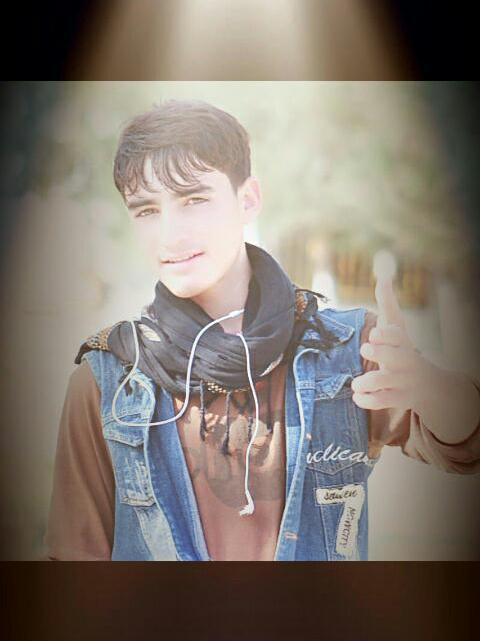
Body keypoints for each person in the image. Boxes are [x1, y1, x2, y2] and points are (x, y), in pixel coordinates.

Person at [44, 99, 480, 561]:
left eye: (194, 200)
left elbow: (465, 446)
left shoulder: (345, 349)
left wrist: (431, 387)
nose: (170, 234)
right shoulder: (107, 381)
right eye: (146, 210)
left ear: (248, 199)